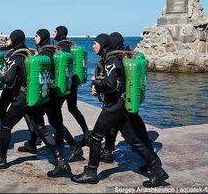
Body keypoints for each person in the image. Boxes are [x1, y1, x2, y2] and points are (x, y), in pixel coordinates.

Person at [71, 34, 169, 187]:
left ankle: (91, 172)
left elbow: (110, 84)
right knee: (133, 140)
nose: (93, 46)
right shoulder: (115, 59)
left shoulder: (111, 60)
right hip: (121, 105)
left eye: (95, 43)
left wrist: (96, 82)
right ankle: (157, 170)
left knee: (96, 137)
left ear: (103, 45)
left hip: (114, 107)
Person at [0, 30, 71, 177]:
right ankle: (61, 161)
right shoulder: (29, 53)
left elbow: (10, 79)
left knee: (6, 126)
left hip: (23, 97)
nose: (8, 41)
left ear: (14, 40)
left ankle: (1, 158)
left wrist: (1, 76)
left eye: (10, 38)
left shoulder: (16, 56)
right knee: (41, 129)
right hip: (34, 95)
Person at [19, 29, 83, 162]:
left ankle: (73, 146)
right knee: (50, 121)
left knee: (41, 121)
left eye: (36, 36)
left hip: (46, 93)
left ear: (42, 37)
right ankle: (33, 143)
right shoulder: (51, 49)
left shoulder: (45, 52)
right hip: (50, 92)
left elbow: (45, 74)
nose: (35, 38)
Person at [100, 32, 157, 169]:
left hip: (120, 103)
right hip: (128, 100)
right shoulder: (127, 55)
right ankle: (108, 151)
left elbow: (114, 83)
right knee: (133, 130)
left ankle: (154, 164)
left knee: (133, 136)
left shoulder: (117, 59)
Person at [53, 26, 90, 147]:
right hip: (72, 84)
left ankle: (59, 137)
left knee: (57, 109)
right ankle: (86, 134)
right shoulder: (68, 45)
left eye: (55, 31)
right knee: (73, 108)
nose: (53, 33)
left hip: (65, 85)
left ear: (59, 33)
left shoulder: (62, 46)